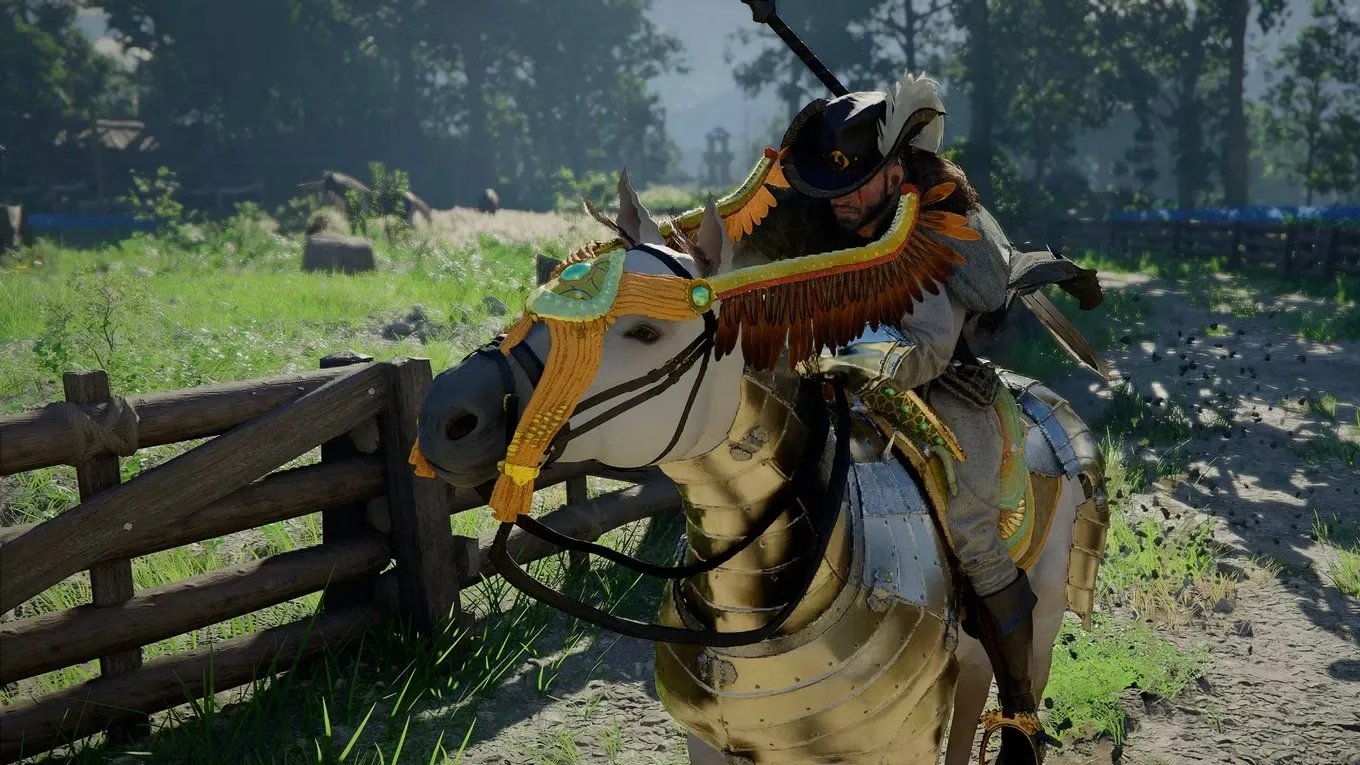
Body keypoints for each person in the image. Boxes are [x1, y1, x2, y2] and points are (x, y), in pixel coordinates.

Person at [747, 72, 1048, 765]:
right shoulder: (824, 212)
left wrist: (833, 357)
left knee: (972, 532)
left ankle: (1021, 718)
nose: (843, 198)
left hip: (937, 390)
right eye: (835, 184)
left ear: (893, 173)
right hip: (824, 382)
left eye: (857, 183)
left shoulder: (927, 225)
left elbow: (925, 350)